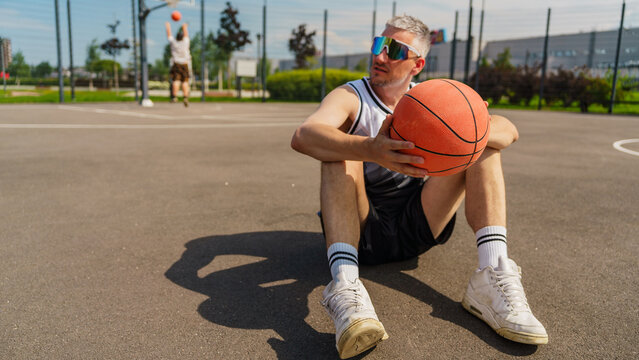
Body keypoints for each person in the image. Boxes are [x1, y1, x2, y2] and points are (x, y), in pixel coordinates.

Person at [290, 15, 548, 359]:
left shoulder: (432, 100)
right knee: (338, 148)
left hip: (418, 223)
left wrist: (476, 129)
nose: (380, 56)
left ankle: (492, 271)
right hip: (361, 227)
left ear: (417, 64)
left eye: (394, 49)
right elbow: (304, 135)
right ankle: (346, 285)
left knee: (479, 142)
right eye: (379, 45)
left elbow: (508, 129)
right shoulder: (353, 95)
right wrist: (369, 148)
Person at [165, 22, 191, 107]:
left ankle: (174, 97)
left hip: (176, 64)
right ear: (182, 37)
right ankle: (185, 97)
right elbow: (186, 35)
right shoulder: (185, 42)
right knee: (185, 81)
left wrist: (168, 26)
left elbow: (169, 35)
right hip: (184, 63)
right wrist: (184, 27)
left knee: (176, 80)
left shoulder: (174, 43)